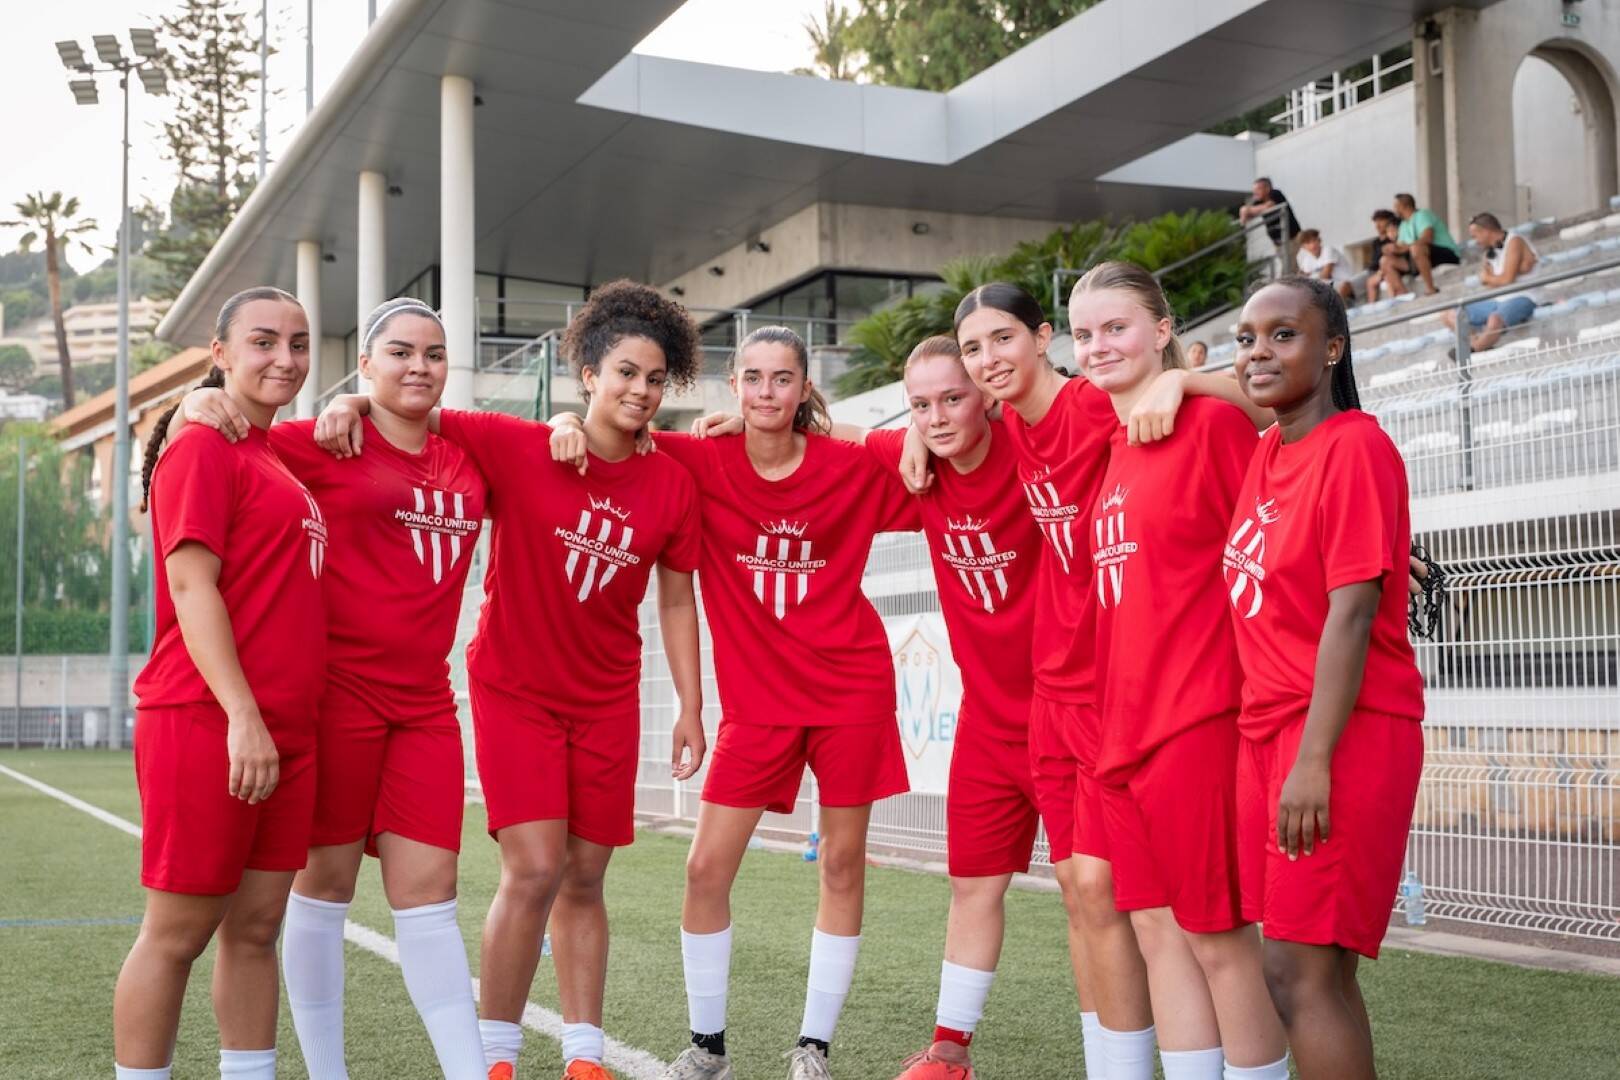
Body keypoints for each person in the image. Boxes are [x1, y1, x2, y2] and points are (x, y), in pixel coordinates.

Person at [318, 281, 707, 1080]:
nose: (640, 390)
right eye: (626, 372)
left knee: (587, 875)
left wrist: (692, 708)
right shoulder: (519, 444)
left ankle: (584, 1053)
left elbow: (676, 597)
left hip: (607, 699)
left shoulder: (671, 481)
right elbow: (413, 409)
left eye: (656, 378)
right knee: (533, 868)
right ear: (589, 374)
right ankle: (494, 1058)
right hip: (515, 691)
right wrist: (351, 404)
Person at [553, 325, 916, 1080]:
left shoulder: (848, 466)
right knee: (704, 869)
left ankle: (812, 1044)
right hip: (757, 705)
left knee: (843, 864)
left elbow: (917, 449)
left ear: (804, 388)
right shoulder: (697, 458)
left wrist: (834, 426)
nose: (765, 393)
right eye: (751, 378)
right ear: (732, 387)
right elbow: (611, 435)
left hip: (851, 689)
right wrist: (562, 418)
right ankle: (708, 1046)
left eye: (782, 379)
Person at [935, 282, 1273, 1080]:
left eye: (1003, 340)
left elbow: (1261, 406)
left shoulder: (1105, 405)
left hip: (1147, 688)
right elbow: (896, 427)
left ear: (1041, 337)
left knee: (1174, 916)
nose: (988, 361)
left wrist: (1185, 377)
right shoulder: (1010, 418)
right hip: (1065, 690)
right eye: (973, 347)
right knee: (1103, 901)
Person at [171, 297, 490, 1079]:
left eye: (435, 354)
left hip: (425, 707)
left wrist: (570, 425)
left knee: (433, 892)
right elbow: (221, 438)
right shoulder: (318, 442)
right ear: (366, 364)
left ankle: (467, 1070)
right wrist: (192, 400)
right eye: (401, 353)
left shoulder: (468, 454)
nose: (420, 366)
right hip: (337, 699)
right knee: (325, 887)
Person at [1073, 262, 1288, 1080]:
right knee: (1157, 929)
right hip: (1123, 733)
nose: (1099, 346)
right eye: (1086, 333)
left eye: (1117, 327)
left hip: (1198, 719)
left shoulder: (1209, 426)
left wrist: (1195, 384)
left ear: (1163, 331)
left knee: (1220, 939)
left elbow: (1288, 452)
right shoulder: (1118, 449)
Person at [114, 287, 325, 1080]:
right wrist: (242, 714)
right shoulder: (202, 446)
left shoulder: (275, 454)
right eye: (264, 342)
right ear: (221, 354)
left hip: (289, 732)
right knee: (178, 932)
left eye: (299, 344)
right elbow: (192, 587)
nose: (286, 359)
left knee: (257, 928)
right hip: (209, 720)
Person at [1227, 278, 1426, 1080]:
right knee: (1319, 974)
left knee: (1294, 973)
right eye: (1245, 339)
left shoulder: (1355, 446)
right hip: (1270, 730)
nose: (1258, 353)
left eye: (1284, 336)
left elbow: (1352, 613)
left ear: (1332, 348)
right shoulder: (1270, 449)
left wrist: (1312, 760)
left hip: (1339, 735)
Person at [1441, 212, 1540, 353]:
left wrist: (1490, 277)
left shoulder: (1515, 241)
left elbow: (1506, 279)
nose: (1475, 241)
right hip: (1498, 299)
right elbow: (1489, 283)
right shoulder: (1488, 252)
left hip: (1524, 296)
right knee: (1450, 314)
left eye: (1475, 236)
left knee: (1494, 320)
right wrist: (1493, 279)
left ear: (1486, 231)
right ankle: (1475, 343)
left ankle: (1473, 351)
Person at [1383, 194, 1460, 296]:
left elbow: (1427, 238)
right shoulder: (1403, 225)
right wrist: (1391, 249)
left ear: (1405, 206)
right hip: (1420, 258)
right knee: (1385, 261)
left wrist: (1404, 248)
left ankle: (1431, 289)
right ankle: (1404, 295)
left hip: (1445, 253)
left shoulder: (1422, 214)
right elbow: (1400, 247)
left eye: (1396, 206)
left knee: (1417, 248)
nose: (1395, 209)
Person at [1238, 178, 1302, 267]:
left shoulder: (1275, 193)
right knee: (1291, 268)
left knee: (1289, 268)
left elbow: (1268, 206)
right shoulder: (1258, 201)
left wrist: (1247, 210)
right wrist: (1244, 211)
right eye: (1254, 190)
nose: (1255, 193)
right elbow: (1249, 213)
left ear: (1267, 188)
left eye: (1258, 189)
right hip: (1279, 242)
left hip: (1292, 238)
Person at [1294, 230, 1356, 305]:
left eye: (1314, 240)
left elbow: (1326, 275)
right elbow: (1303, 279)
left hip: (1346, 285)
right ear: (1303, 246)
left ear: (1319, 240)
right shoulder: (1307, 260)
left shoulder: (1328, 250)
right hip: (1326, 287)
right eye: (1308, 243)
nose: (1312, 245)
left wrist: (1311, 276)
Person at [1364, 211, 1402, 302]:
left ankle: (1393, 299)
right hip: (1375, 270)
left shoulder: (1393, 240)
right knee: (1370, 282)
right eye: (1376, 222)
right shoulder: (1376, 242)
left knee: (1386, 276)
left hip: (1388, 269)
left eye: (1380, 220)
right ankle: (1371, 306)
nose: (1378, 225)